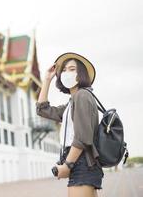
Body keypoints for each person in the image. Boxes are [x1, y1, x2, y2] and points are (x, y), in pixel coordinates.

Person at [36, 52, 104, 197]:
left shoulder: (82, 96)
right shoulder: (72, 103)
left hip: (82, 163)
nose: (67, 73)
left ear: (81, 74)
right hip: (81, 163)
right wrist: (47, 80)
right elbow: (42, 110)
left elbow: (82, 138)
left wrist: (68, 165)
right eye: (64, 70)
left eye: (72, 69)